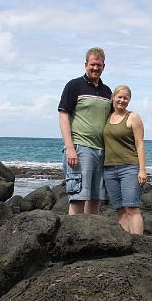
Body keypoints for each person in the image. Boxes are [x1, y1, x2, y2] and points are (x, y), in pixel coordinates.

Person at [58, 47, 113, 215]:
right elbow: (63, 116)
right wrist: (70, 148)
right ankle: (72, 238)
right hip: (80, 148)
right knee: (78, 197)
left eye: (99, 65)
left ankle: (90, 238)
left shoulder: (107, 91)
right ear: (85, 64)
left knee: (95, 198)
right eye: (92, 64)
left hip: (101, 151)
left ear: (104, 66)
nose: (95, 68)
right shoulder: (74, 85)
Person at [103, 85, 147, 234]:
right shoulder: (107, 117)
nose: (122, 100)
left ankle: (139, 244)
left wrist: (142, 170)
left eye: (125, 98)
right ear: (113, 98)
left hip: (129, 168)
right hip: (109, 169)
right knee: (120, 210)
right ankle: (125, 244)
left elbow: (140, 144)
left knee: (132, 208)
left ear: (129, 100)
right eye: (119, 97)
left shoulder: (133, 117)